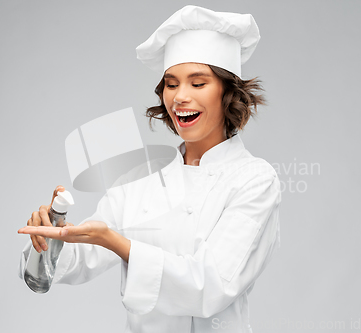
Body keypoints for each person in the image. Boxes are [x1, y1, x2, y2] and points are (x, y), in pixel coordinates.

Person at [18, 5, 281, 333]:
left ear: (228, 92)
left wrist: (119, 243)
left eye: (198, 84)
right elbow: (75, 261)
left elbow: (212, 286)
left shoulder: (254, 180)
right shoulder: (141, 177)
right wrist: (52, 237)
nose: (180, 97)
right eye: (171, 84)